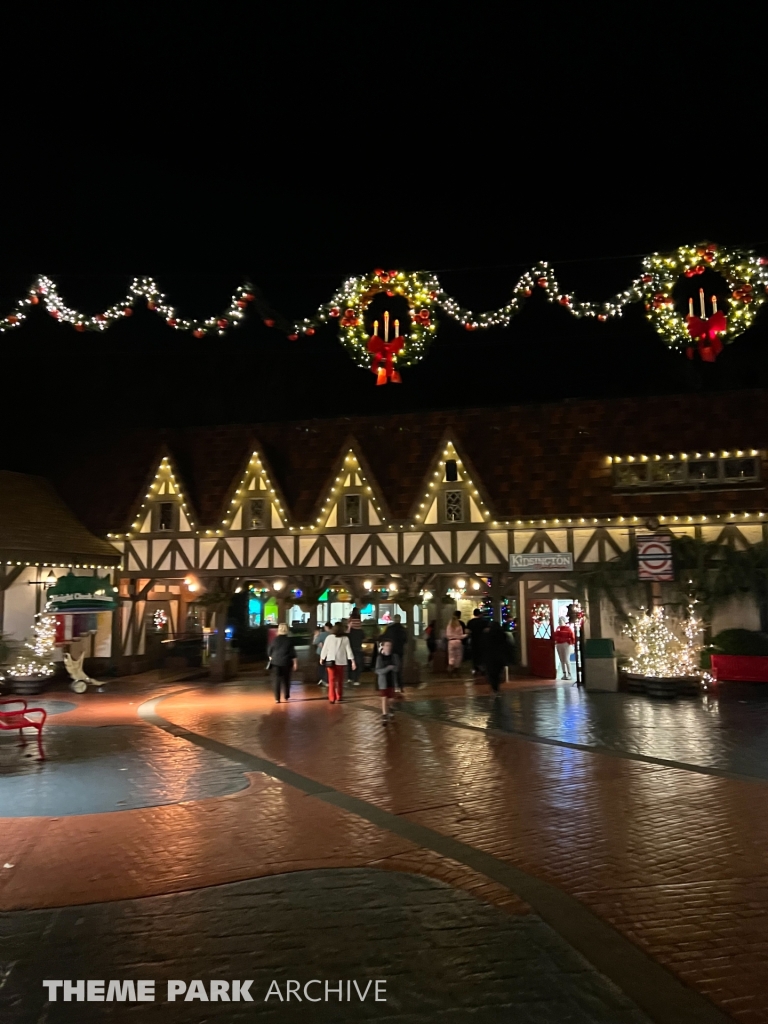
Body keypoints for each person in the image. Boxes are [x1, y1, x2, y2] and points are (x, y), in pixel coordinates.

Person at [320, 622, 356, 703]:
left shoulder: (329, 638)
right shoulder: (345, 638)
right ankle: (339, 696)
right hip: (341, 662)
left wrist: (322, 658)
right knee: (340, 680)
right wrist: (352, 661)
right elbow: (349, 651)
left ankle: (332, 698)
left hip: (330, 661)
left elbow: (325, 649)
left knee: (331, 680)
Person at [267, 624, 298, 703]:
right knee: (286, 680)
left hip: (275, 662)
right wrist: (295, 663)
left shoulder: (274, 640)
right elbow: (293, 653)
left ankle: (277, 698)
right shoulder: (289, 640)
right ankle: (286, 696)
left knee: (276, 681)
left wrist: (271, 657)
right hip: (286, 662)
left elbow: (269, 651)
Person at [483, 622, 513, 692]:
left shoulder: (487, 635)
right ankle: (496, 685)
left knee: (491, 672)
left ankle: (494, 686)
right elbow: (507, 645)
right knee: (498, 672)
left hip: (490, 657)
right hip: (500, 656)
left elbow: (484, 646)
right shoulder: (503, 635)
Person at [375, 639, 400, 724]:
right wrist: (388, 668)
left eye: (390, 646)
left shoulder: (394, 656)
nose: (388, 647)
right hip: (383, 682)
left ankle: (391, 708)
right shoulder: (380, 658)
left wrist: (393, 668)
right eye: (387, 645)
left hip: (392, 681)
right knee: (384, 698)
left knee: (391, 699)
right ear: (383, 647)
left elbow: (397, 668)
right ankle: (384, 715)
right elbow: (378, 670)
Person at [381, 614, 407, 693]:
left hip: (391, 651)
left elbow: (383, 637)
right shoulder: (403, 629)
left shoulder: (390, 628)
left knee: (391, 668)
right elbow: (406, 640)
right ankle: (399, 686)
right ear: (400, 619)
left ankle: (392, 685)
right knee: (398, 669)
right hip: (400, 651)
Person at [465, 607, 488, 677]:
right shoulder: (484, 621)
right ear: (480, 614)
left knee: (475, 655)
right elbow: (487, 630)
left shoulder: (470, 622)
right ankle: (483, 669)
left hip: (474, 641)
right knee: (482, 655)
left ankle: (476, 668)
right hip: (483, 641)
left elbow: (467, 631)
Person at [444, 611, 465, 676]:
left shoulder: (449, 625)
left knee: (451, 656)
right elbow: (461, 635)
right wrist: (466, 635)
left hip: (451, 642)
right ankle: (456, 669)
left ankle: (450, 669)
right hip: (458, 641)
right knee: (458, 656)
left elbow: (447, 635)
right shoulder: (459, 625)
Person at [313, 621, 333, 686]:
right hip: (330, 653)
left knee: (321, 667)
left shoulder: (323, 634)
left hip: (321, 653)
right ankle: (327, 680)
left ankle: (322, 679)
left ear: (326, 627)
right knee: (329, 667)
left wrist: (315, 636)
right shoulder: (333, 634)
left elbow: (315, 642)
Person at [347, 617, 365, 686]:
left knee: (350, 664)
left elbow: (346, 635)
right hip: (358, 649)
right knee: (357, 664)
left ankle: (350, 678)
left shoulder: (350, 631)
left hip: (350, 649)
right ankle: (355, 679)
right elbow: (364, 638)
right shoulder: (361, 631)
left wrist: (349, 627)